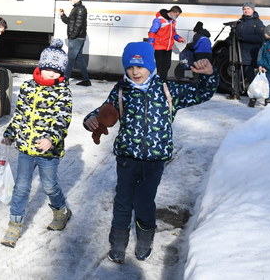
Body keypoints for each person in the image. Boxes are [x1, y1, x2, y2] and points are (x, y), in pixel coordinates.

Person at [83, 42, 218, 264]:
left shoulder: (167, 90)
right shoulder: (120, 91)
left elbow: (201, 93)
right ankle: (118, 243)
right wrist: (91, 120)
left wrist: (209, 76)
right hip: (127, 158)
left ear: (151, 65)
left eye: (140, 66)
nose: (135, 72)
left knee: (144, 202)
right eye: (130, 67)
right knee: (123, 202)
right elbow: (102, 111)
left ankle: (145, 239)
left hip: (154, 161)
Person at [0, 39, 72, 248]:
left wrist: (51, 138)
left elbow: (62, 119)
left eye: (55, 69)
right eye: (48, 67)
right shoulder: (28, 87)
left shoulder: (63, 91)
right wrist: (11, 132)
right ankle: (14, 225)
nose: (51, 73)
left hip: (49, 151)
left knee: (49, 185)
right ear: (41, 65)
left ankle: (61, 212)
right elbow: (21, 114)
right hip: (25, 148)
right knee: (21, 188)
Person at [58, 0, 91, 86]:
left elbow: (78, 25)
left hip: (77, 38)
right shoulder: (76, 8)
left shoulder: (80, 9)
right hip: (77, 38)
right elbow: (68, 21)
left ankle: (65, 79)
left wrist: (72, 37)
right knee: (79, 58)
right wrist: (63, 15)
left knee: (70, 59)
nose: (69, 1)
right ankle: (86, 80)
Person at [147, 5, 186, 80]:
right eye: (177, 15)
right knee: (160, 66)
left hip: (168, 48)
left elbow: (173, 33)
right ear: (172, 12)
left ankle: (163, 81)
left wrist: (179, 38)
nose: (177, 17)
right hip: (159, 47)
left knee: (167, 65)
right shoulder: (159, 20)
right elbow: (152, 32)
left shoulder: (172, 21)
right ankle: (159, 81)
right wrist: (151, 44)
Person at [234, 2, 266, 90]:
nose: (246, 10)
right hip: (239, 54)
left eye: (248, 9)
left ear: (253, 10)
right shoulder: (240, 22)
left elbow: (261, 37)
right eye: (244, 9)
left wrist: (243, 38)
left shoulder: (257, 22)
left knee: (249, 74)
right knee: (237, 74)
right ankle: (237, 93)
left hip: (251, 55)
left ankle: (255, 93)